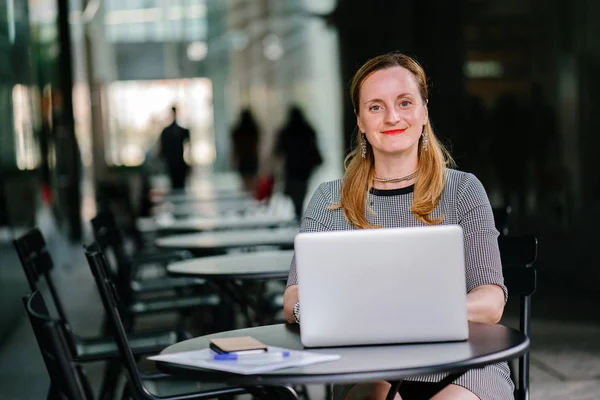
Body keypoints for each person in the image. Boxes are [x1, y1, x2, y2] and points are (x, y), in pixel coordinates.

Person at [283, 52, 510, 400]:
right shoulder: (329, 200)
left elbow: (491, 302)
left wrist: (384, 315)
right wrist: (311, 312)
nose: (392, 117)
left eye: (404, 102)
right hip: (367, 369)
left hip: (463, 366)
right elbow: (294, 298)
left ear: (423, 111)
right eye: (375, 107)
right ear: (359, 120)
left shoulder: (463, 190)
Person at [275, 106, 322, 219]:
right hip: (304, 168)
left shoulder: (286, 131)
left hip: (291, 167)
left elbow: (278, 149)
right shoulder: (307, 130)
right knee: (301, 190)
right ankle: (298, 209)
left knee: (294, 189)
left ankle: (297, 210)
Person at [159, 106, 191, 190]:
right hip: (173, 161)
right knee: (176, 183)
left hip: (178, 160)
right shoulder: (167, 132)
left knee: (179, 183)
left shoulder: (173, 131)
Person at [231, 109, 260, 192]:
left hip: (243, 159)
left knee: (246, 181)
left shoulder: (238, 131)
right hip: (251, 158)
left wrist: (234, 159)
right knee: (251, 180)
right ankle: (250, 196)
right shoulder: (254, 130)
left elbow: (235, 148)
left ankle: (248, 195)